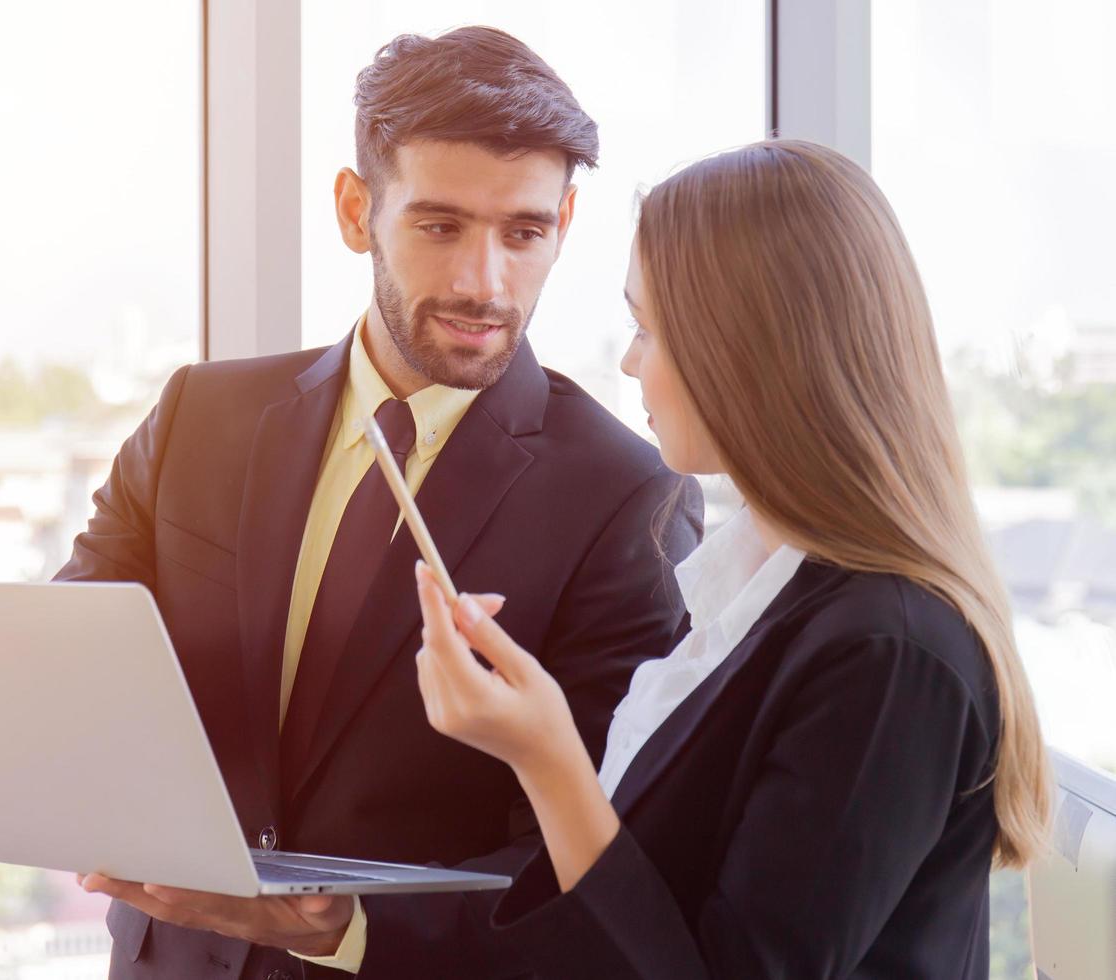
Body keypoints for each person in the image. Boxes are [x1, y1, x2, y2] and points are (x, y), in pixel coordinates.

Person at [62, 27, 701, 980]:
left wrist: (343, 930)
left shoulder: (627, 501)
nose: (485, 283)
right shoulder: (200, 414)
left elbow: (590, 862)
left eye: (524, 232)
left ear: (565, 221)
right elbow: (70, 667)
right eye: (440, 226)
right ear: (357, 209)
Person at [412, 138, 1051, 979]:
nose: (630, 360)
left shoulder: (888, 652)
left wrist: (546, 757)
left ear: (748, 354)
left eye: (647, 329)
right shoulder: (758, 586)